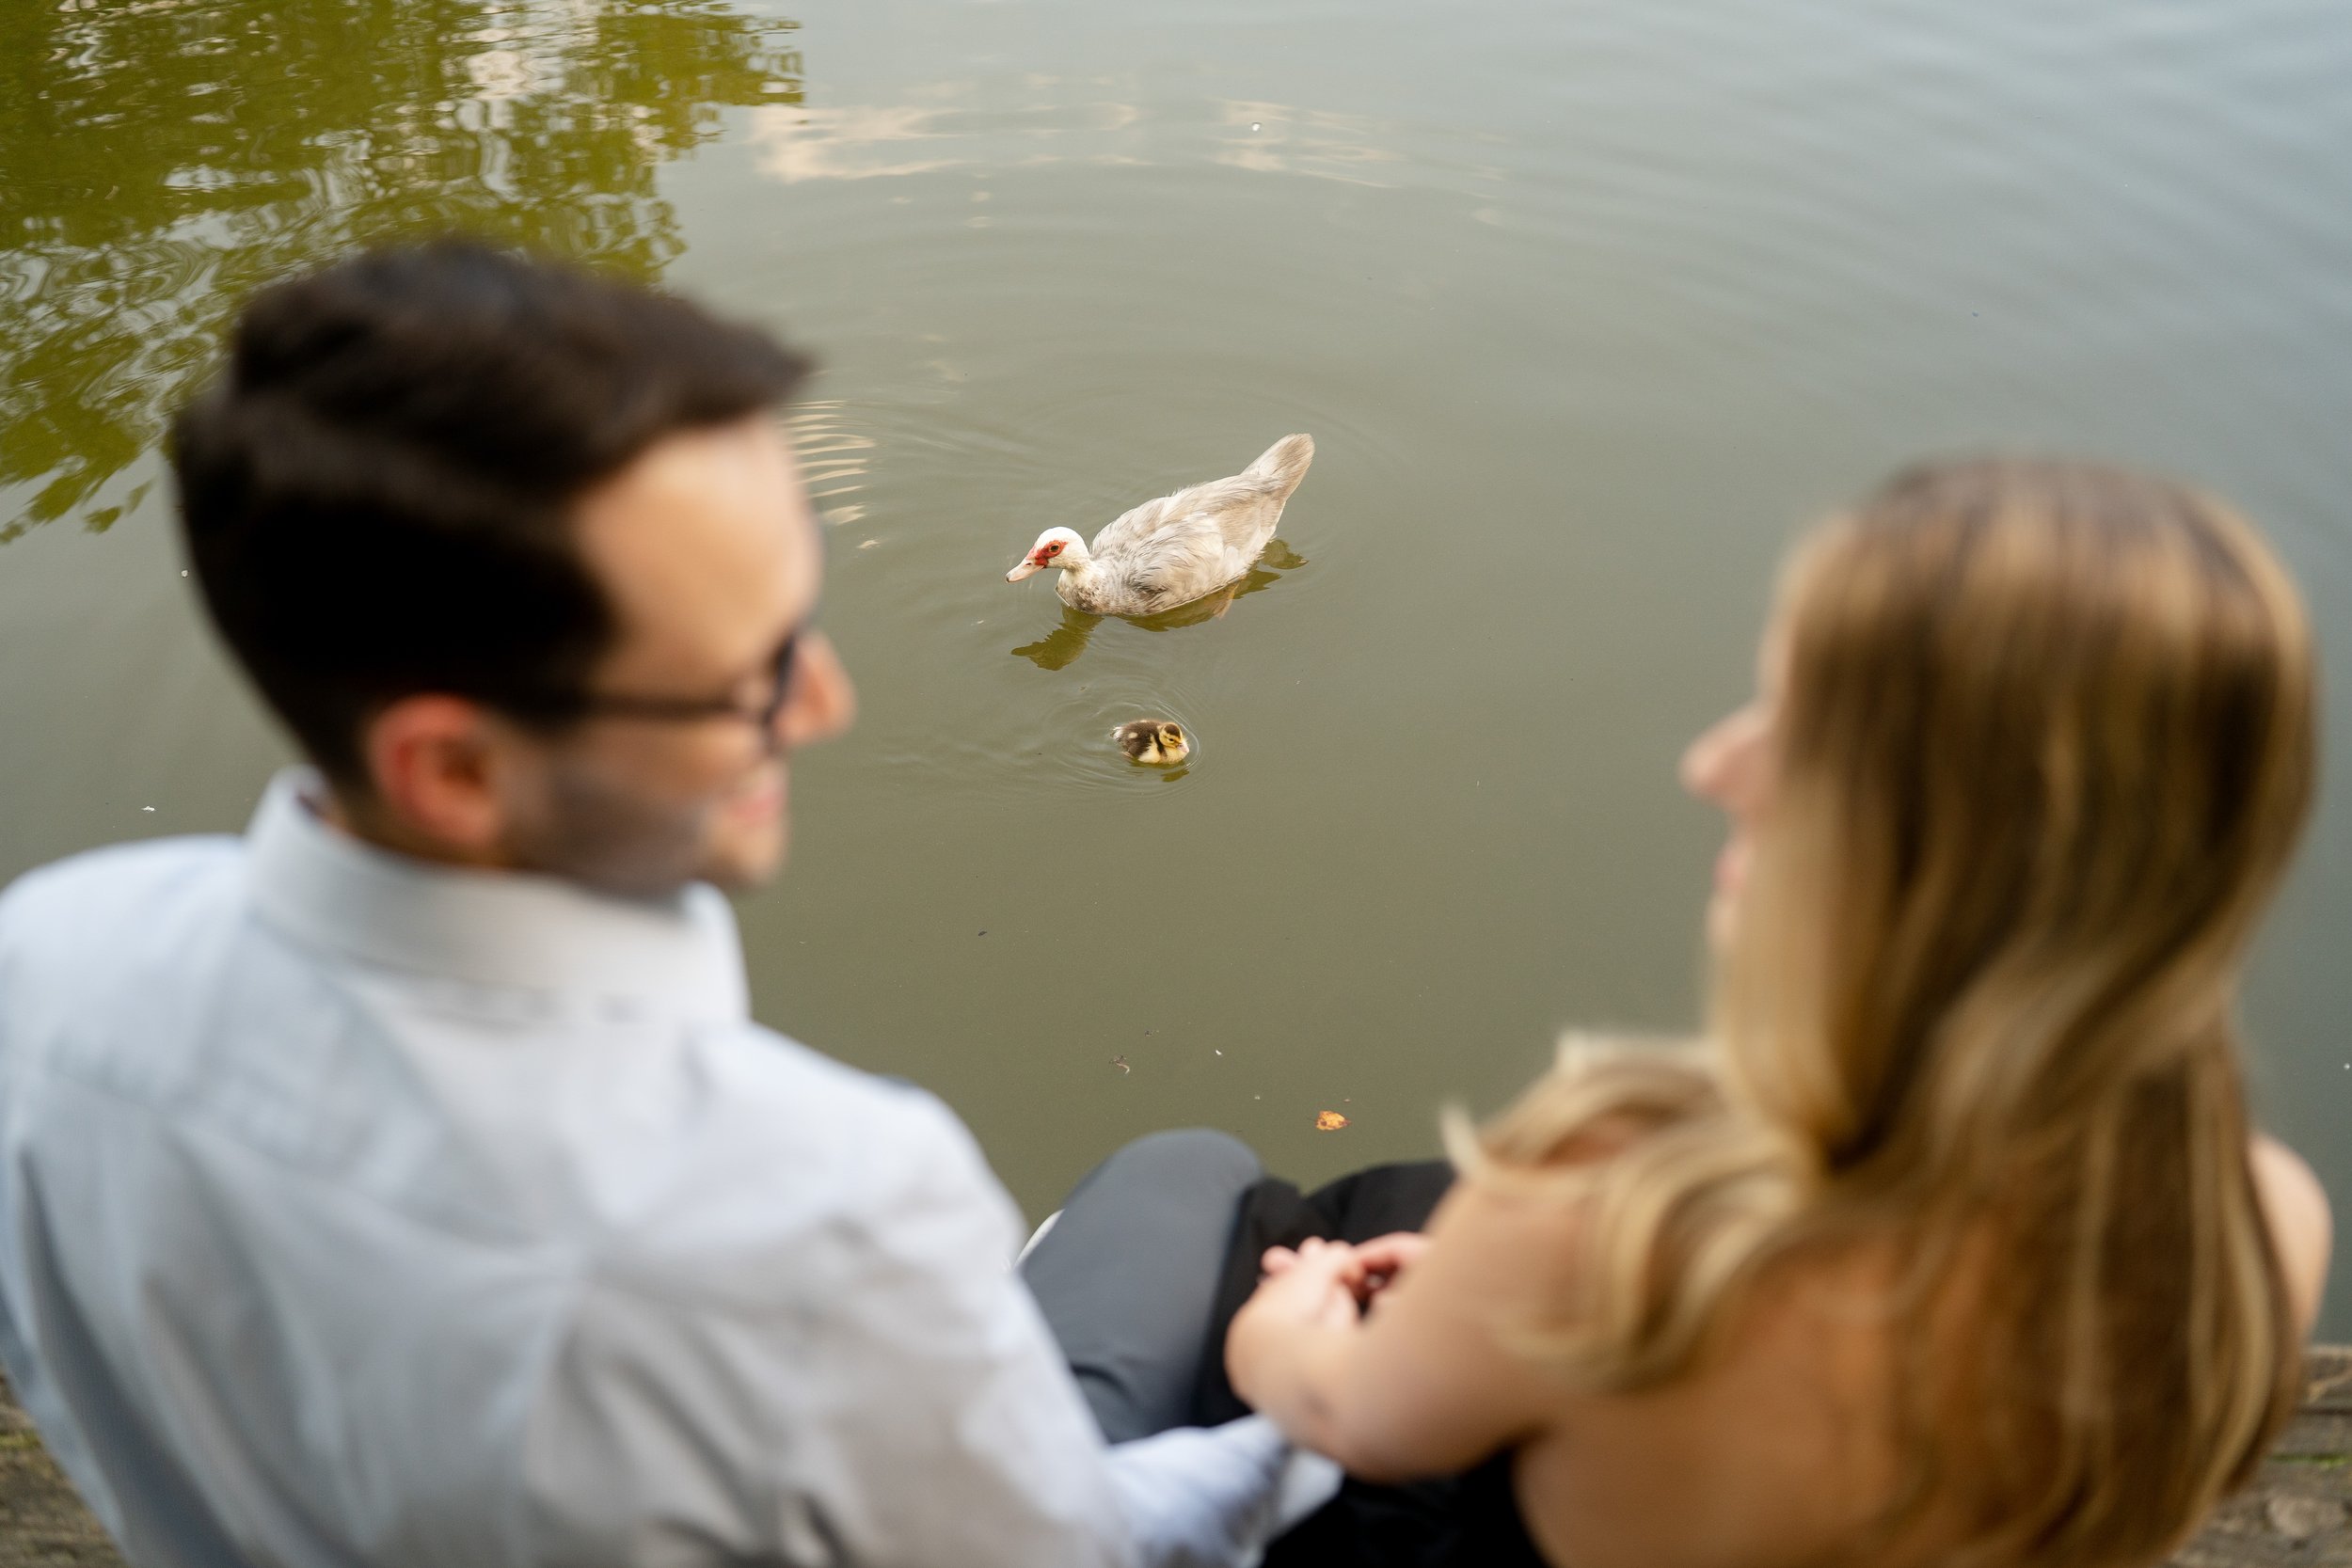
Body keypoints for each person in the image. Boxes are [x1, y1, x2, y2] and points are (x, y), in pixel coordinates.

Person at [0, 241, 1327, 1568]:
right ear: (454, 768)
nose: (824, 703)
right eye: (744, 670)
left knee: (1180, 1174)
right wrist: (1324, 1416)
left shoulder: (44, 976)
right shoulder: (841, 1203)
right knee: (1214, 1190)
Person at [1027, 458, 2334, 1568]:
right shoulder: (2254, 1222)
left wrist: (1283, 1338)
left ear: (1977, 845)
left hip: (1404, 1446)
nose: (1714, 765)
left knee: (1183, 1176)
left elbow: (1360, 1419)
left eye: (1802, 731)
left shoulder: (1612, 1193)